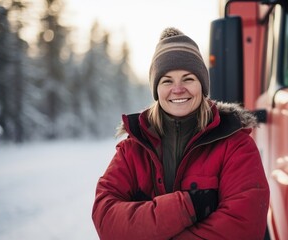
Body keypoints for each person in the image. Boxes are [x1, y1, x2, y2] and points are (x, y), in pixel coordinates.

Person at [92, 27, 270, 240]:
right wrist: (186, 207)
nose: (178, 89)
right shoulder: (132, 149)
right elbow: (106, 220)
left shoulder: (236, 145)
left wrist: (146, 225)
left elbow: (243, 228)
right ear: (157, 90)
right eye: (167, 80)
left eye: (188, 79)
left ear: (202, 86)